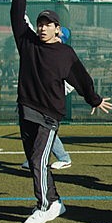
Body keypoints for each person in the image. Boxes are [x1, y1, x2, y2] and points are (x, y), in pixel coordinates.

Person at [9, 0, 112, 223]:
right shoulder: (28, 44)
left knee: (38, 161)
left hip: (49, 114)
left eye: (48, 24)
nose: (43, 28)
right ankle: (55, 202)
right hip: (25, 109)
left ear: (58, 28)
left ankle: (43, 206)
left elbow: (82, 78)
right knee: (36, 161)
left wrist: (95, 99)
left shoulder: (65, 53)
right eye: (40, 23)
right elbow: (16, 17)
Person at [19, 25, 73, 171]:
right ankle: (35, 158)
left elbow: (72, 78)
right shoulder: (44, 49)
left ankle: (63, 157)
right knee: (39, 129)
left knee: (46, 129)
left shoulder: (61, 52)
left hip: (50, 99)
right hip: (41, 97)